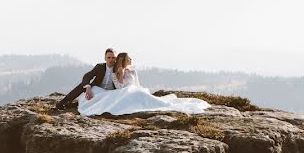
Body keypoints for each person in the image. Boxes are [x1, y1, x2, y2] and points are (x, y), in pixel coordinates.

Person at [77, 52, 210, 116]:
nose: (130, 60)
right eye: (128, 59)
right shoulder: (116, 73)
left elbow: (136, 84)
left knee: (145, 99)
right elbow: (119, 87)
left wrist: (138, 89)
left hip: (135, 90)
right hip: (124, 92)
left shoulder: (132, 70)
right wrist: (120, 75)